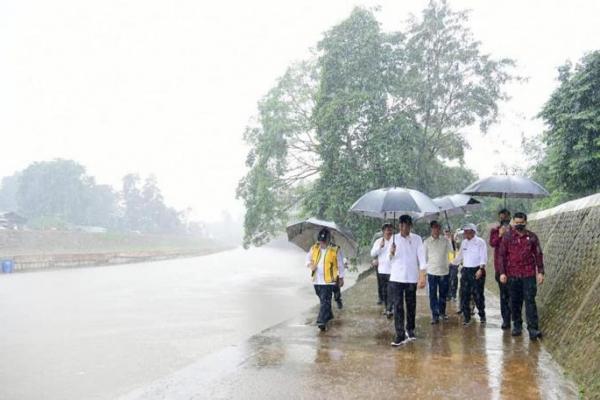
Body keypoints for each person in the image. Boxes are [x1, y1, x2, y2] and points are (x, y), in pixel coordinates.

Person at [499, 212, 544, 340]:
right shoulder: (507, 237)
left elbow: (538, 254)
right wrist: (502, 273)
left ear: (525, 222)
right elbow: (502, 256)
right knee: (515, 301)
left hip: (528, 274)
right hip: (512, 275)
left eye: (521, 223)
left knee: (530, 300)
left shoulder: (532, 237)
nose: (519, 225)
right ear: (513, 222)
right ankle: (517, 325)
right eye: (516, 223)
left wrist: (540, 272)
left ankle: (533, 329)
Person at [388, 215, 426, 346]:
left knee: (411, 304)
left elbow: (421, 258)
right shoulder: (393, 239)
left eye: (409, 226)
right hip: (396, 278)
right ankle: (399, 334)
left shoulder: (417, 239)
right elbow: (389, 260)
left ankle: (410, 329)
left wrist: (422, 275)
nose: (406, 228)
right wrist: (391, 252)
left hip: (411, 277)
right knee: (398, 306)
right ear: (399, 226)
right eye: (404, 225)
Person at [306, 228, 345, 331]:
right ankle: (329, 315)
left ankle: (321, 321)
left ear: (328, 240)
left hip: (329, 281)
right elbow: (307, 259)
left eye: (324, 241)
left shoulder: (335, 249)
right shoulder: (314, 248)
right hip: (316, 280)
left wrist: (341, 277)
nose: (322, 243)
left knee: (325, 301)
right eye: (320, 241)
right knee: (323, 300)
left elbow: (340, 265)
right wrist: (310, 265)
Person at [450, 223, 487, 325]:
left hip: (477, 270)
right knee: (464, 294)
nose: (465, 233)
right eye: (465, 231)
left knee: (478, 295)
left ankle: (482, 314)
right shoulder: (464, 243)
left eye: (467, 231)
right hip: (466, 270)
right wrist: (452, 263)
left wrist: (481, 269)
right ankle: (466, 317)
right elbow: (460, 256)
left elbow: (483, 256)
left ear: (473, 232)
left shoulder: (480, 242)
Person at [424, 221, 454, 324]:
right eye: (434, 228)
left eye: (438, 227)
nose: (436, 230)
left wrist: (452, 239)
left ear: (440, 229)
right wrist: (424, 272)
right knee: (432, 294)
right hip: (432, 272)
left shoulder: (445, 241)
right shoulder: (427, 242)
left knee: (443, 294)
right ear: (431, 229)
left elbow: (451, 252)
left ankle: (442, 312)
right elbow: (424, 258)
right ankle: (434, 315)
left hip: (444, 272)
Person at [489, 208, 512, 330]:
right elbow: (492, 243)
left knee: (514, 295)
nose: (504, 220)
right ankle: (506, 320)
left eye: (506, 217)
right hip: (500, 268)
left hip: (514, 268)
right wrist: (500, 235)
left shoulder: (514, 231)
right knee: (504, 295)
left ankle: (515, 318)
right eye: (501, 218)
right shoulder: (495, 231)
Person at [370, 223, 394, 318]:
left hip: (393, 270)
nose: (388, 232)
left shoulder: (395, 241)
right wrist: (380, 247)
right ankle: (387, 307)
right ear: (383, 232)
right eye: (387, 230)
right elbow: (372, 254)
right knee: (384, 290)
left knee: (391, 290)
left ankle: (390, 309)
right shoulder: (378, 241)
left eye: (390, 230)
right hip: (382, 270)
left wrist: (393, 252)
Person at [445, 228, 459, 301]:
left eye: (448, 232)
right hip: (446, 264)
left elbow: (456, 250)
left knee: (453, 279)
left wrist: (453, 240)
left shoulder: (454, 241)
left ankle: (454, 295)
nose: (447, 233)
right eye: (446, 232)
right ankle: (448, 295)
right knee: (447, 279)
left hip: (454, 263)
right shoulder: (443, 241)